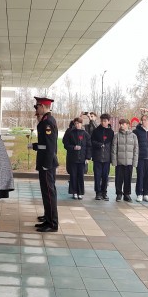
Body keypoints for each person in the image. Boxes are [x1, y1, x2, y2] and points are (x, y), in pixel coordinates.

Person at [31, 97, 59, 232]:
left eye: (37, 107)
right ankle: (48, 217)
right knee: (46, 191)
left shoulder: (48, 122)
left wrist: (47, 164)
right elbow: (44, 145)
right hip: (45, 161)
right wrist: (35, 145)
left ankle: (52, 223)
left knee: (49, 192)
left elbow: (50, 146)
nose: (36, 109)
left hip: (47, 163)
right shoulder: (45, 120)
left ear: (42, 106)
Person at [64, 117, 91, 199]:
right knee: (73, 176)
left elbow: (89, 146)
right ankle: (74, 192)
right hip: (73, 158)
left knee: (81, 176)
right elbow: (66, 145)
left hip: (82, 159)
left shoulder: (85, 134)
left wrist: (87, 158)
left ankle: (80, 192)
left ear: (81, 124)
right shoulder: (70, 133)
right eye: (76, 123)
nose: (77, 125)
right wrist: (73, 147)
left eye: (79, 123)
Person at [111, 118, 138, 202]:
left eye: (123, 124)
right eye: (120, 124)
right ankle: (119, 194)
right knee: (118, 179)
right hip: (119, 162)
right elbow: (114, 149)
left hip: (129, 162)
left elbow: (136, 149)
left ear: (128, 125)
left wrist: (135, 162)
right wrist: (114, 161)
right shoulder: (117, 135)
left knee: (128, 179)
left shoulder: (133, 136)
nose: (121, 125)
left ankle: (127, 194)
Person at [133, 114, 148, 202]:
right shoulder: (137, 131)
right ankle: (139, 193)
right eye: (142, 120)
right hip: (141, 157)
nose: (144, 121)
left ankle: (146, 194)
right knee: (140, 176)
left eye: (146, 120)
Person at [91, 113, 114, 200]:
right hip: (97, 157)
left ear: (108, 121)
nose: (103, 123)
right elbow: (92, 141)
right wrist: (100, 145)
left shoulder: (111, 132)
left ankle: (104, 192)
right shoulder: (96, 131)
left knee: (105, 176)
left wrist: (112, 158)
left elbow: (112, 145)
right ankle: (98, 193)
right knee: (97, 176)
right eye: (102, 121)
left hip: (107, 158)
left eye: (105, 121)